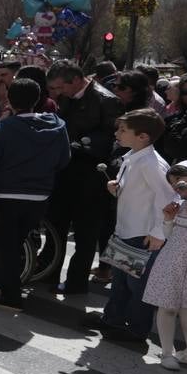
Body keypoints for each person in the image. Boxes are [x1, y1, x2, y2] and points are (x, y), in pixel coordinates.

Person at [0, 78, 71, 311]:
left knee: (7, 246)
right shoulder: (57, 126)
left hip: (6, 195)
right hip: (40, 196)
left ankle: (10, 296)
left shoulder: (2, 129)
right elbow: (64, 160)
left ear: (9, 100)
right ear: (38, 99)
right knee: (15, 243)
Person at [95, 109, 175, 343]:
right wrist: (116, 188)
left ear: (143, 136)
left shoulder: (150, 163)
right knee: (120, 281)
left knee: (137, 286)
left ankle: (137, 330)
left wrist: (158, 233)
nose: (117, 133)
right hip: (127, 229)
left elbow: (169, 200)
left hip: (143, 234)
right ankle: (112, 320)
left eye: (123, 130)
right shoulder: (133, 156)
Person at [45, 60, 123, 297]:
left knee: (86, 234)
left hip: (90, 175)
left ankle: (76, 283)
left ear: (76, 80)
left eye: (60, 88)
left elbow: (113, 138)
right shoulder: (64, 98)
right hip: (64, 172)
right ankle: (48, 273)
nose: (57, 93)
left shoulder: (107, 100)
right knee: (54, 227)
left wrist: (81, 144)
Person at [144, 161, 187, 369]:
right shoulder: (183, 203)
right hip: (172, 261)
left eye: (178, 181)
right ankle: (167, 353)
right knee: (167, 306)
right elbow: (171, 236)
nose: (175, 186)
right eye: (172, 183)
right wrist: (169, 219)